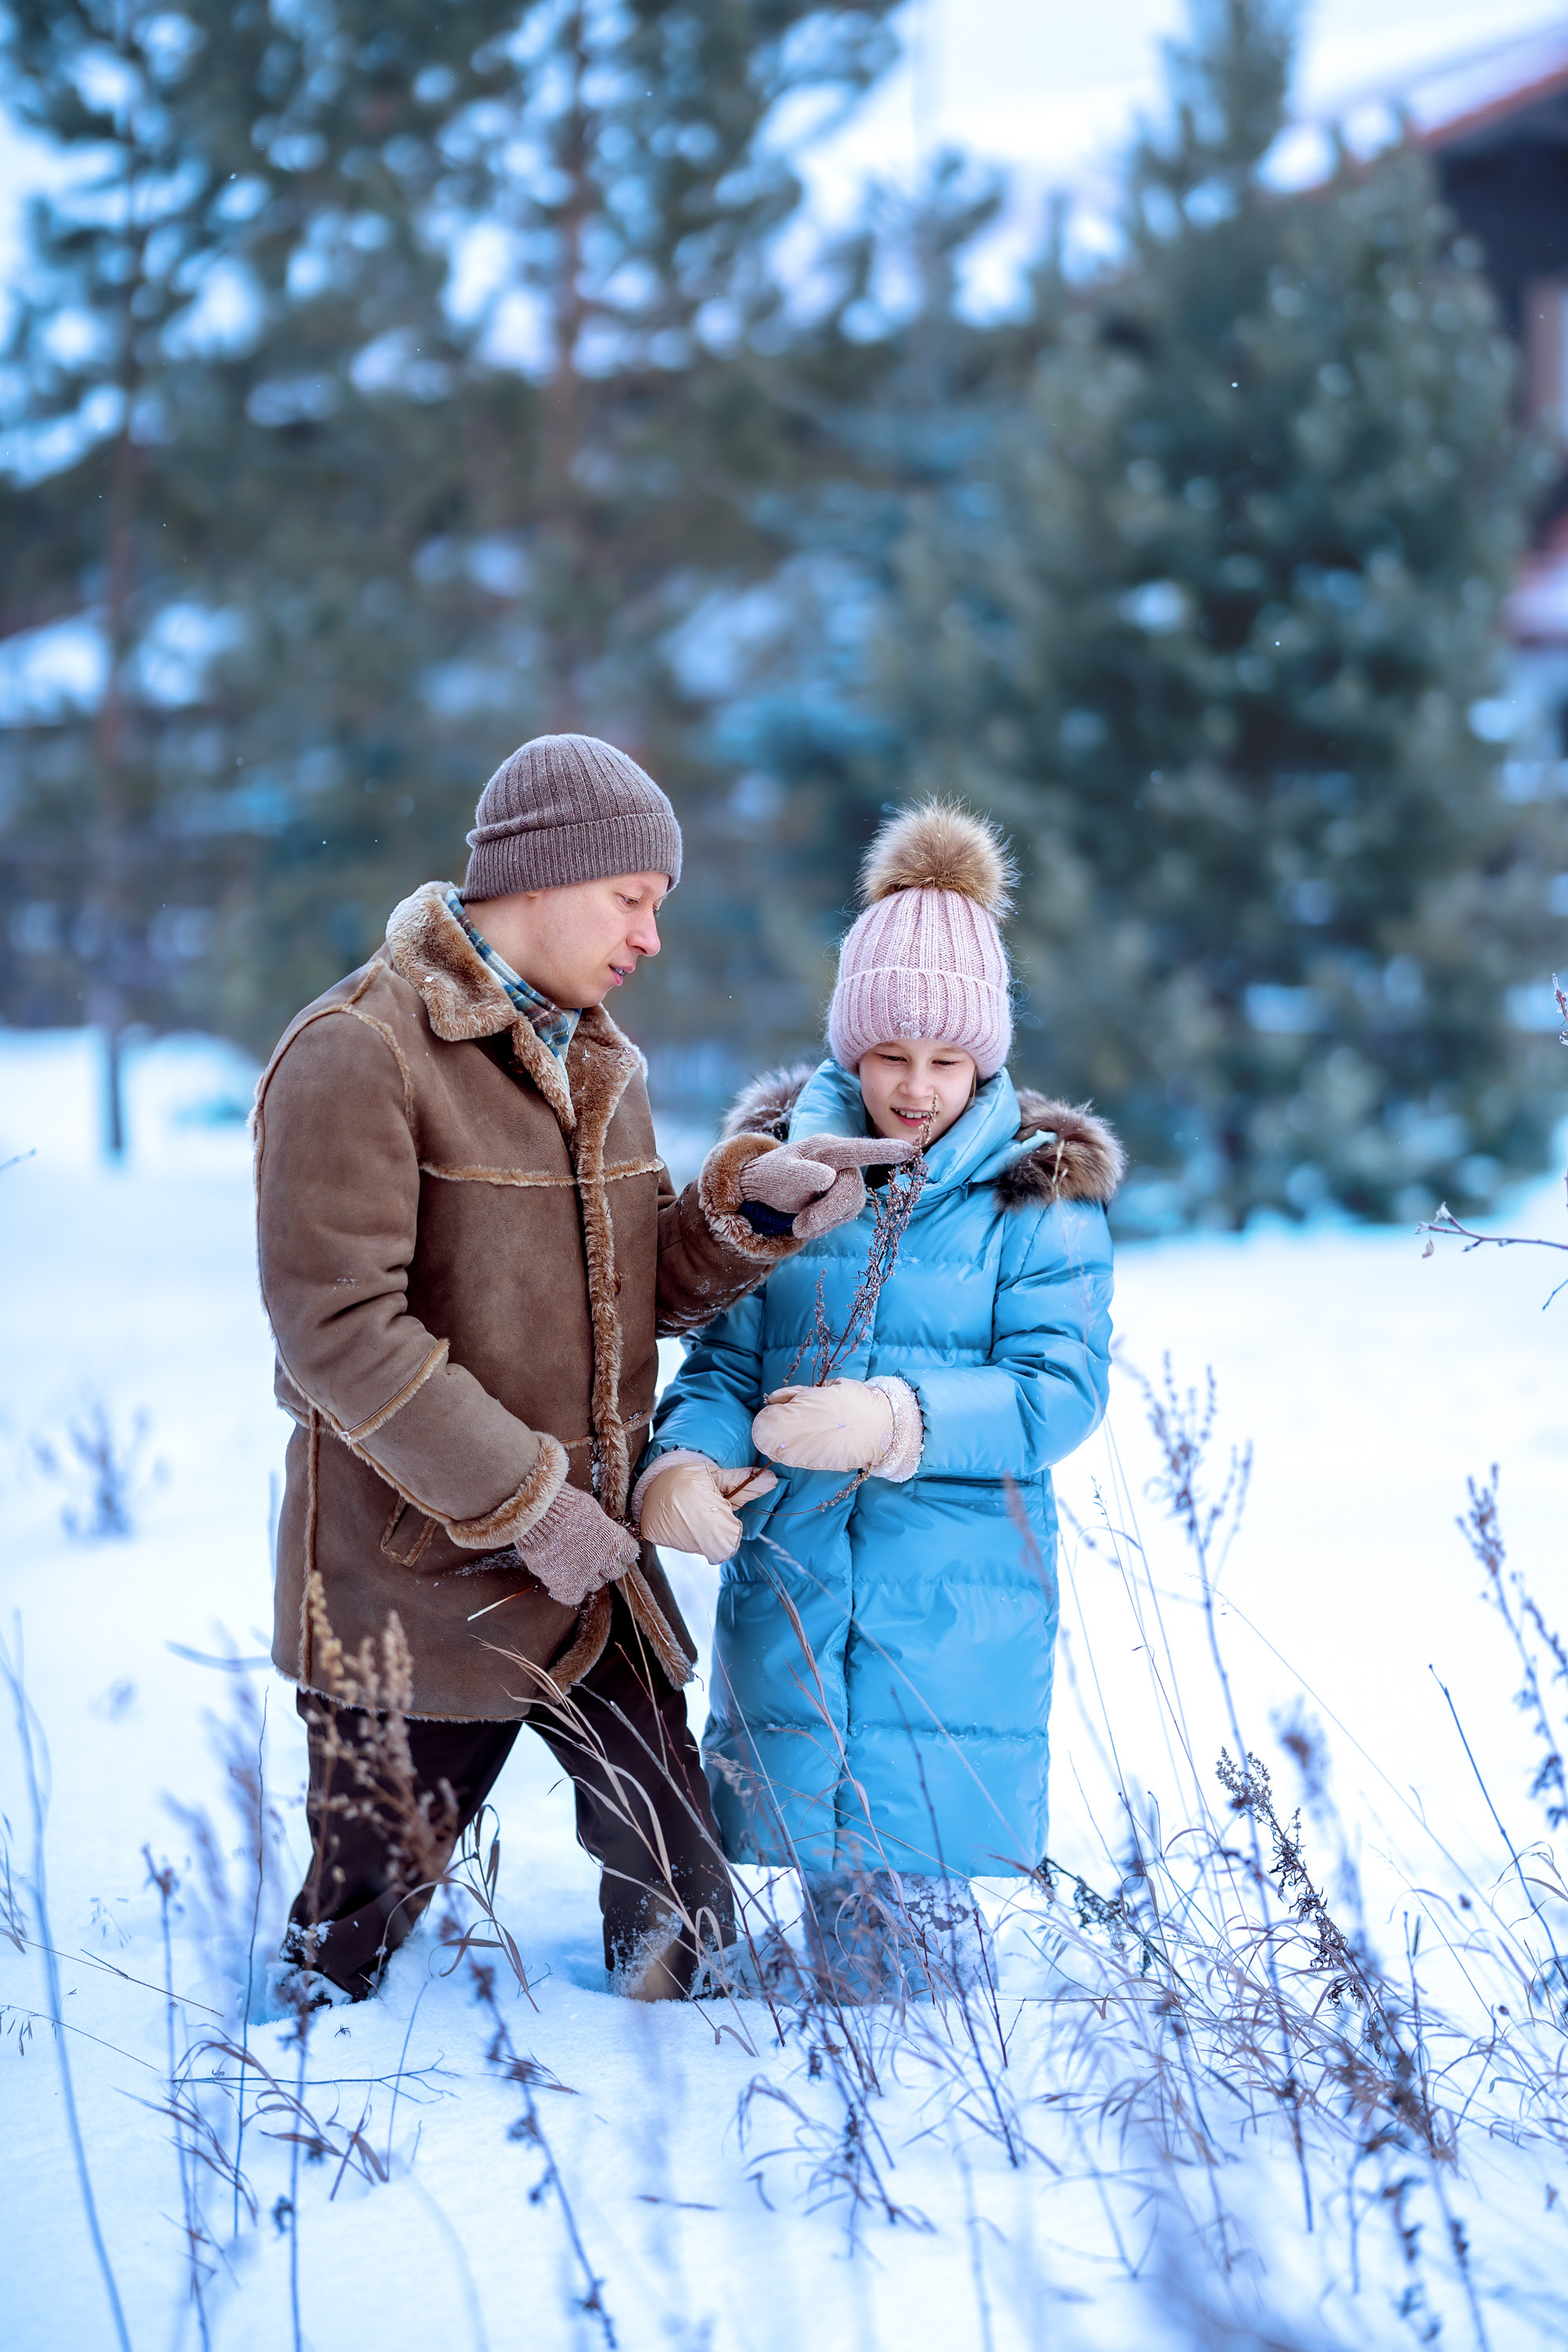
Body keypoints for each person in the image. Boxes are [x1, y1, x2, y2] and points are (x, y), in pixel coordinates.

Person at [254, 732, 904, 2003]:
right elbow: (337, 1329)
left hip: (594, 1567)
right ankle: (308, 2119)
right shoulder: (356, 1051)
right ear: (546, 878)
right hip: (417, 1581)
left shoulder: (604, 1061)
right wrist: (520, 1503)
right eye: (634, 901)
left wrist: (746, 1218)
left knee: (684, 1918)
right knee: (349, 1943)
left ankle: (681, 2111)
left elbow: (627, 1289)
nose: (650, 937)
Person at [633, 801, 1123, 1995]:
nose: (915, 1088)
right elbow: (727, 1366)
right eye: (890, 1057)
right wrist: (680, 1467)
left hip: (950, 1606)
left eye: (947, 1061)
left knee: (909, 1958)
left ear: (988, 1058)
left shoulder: (1037, 1198)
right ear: (849, 1049)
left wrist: (894, 1422)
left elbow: (1057, 1390)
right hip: (797, 1588)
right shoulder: (782, 1175)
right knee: (817, 1881)